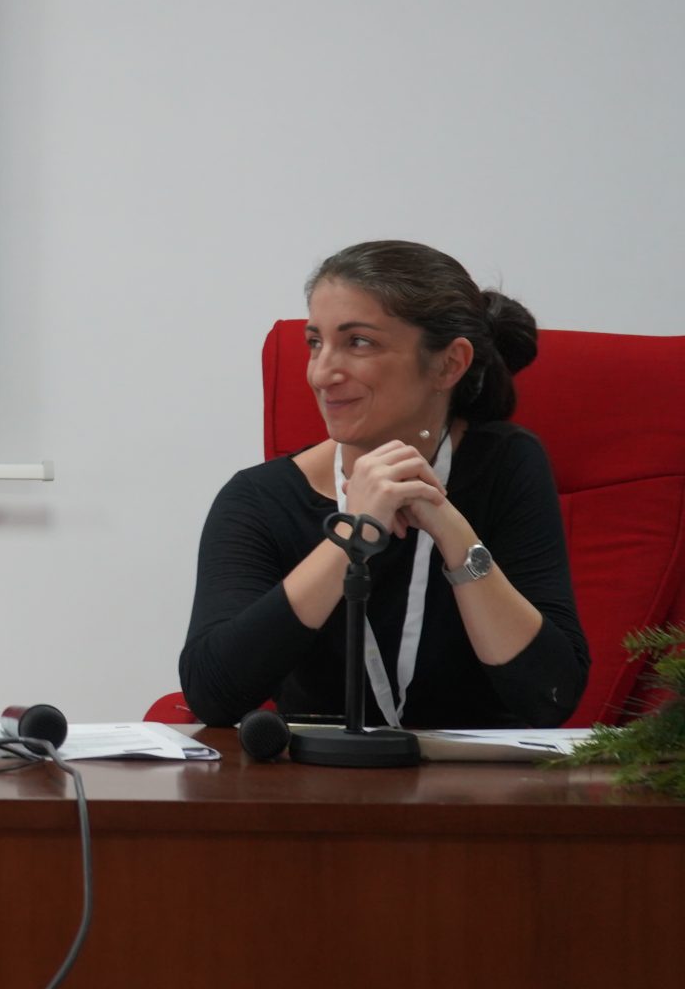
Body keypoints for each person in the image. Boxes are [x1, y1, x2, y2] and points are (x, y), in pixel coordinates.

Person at [179, 241, 588, 729]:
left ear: (448, 364)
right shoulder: (260, 497)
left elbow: (550, 697)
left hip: (474, 772)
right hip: (317, 771)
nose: (321, 373)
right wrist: (351, 535)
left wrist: (454, 534)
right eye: (315, 342)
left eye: (358, 342)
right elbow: (213, 696)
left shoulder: (506, 465)